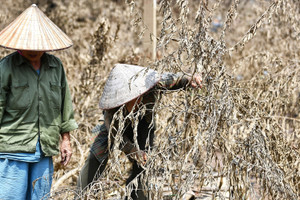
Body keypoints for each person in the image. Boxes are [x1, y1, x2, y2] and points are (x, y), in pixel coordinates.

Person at [77, 63, 202, 199]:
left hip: (143, 124)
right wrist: (132, 150)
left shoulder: (152, 85)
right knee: (97, 153)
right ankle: (81, 194)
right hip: (117, 128)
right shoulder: (112, 110)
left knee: (142, 164)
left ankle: (136, 195)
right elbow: (115, 134)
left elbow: (174, 80)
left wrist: (189, 79)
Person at [0, 4, 78, 200]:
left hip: (45, 149)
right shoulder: (6, 68)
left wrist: (65, 140)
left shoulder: (55, 67)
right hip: (12, 149)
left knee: (41, 197)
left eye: (37, 45)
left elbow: (64, 105)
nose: (33, 50)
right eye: (28, 44)